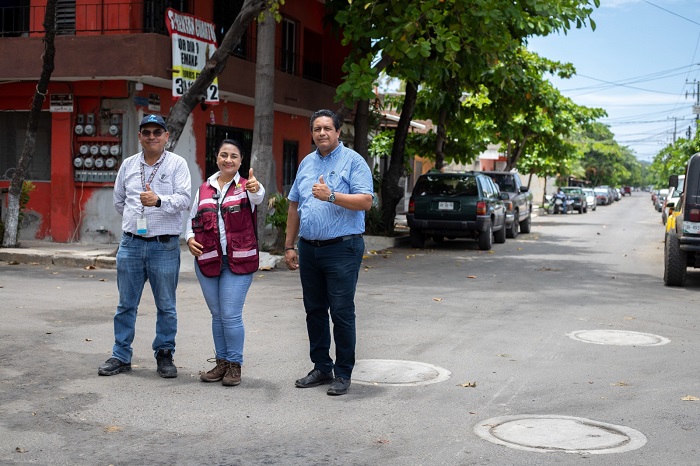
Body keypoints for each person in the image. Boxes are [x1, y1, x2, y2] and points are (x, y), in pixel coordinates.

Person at [284, 109, 373, 396]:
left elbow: (366, 201)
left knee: (342, 312)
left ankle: (343, 373)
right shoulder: (307, 163)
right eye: (317, 128)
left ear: (337, 132)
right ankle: (322, 366)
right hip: (310, 249)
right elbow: (294, 205)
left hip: (342, 248)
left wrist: (331, 195)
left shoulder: (353, 161)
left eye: (327, 128)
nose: (322, 133)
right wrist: (289, 244)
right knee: (315, 311)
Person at [98, 114, 192, 378]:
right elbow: (120, 201)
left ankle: (164, 355)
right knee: (125, 305)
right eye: (147, 132)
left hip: (164, 246)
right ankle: (120, 355)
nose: (152, 136)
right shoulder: (128, 165)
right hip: (130, 245)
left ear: (166, 136)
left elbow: (185, 199)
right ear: (140, 136)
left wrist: (158, 201)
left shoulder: (177, 164)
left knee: (166, 305)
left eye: (157, 132)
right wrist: (136, 219)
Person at [185, 139, 265, 387]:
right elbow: (190, 218)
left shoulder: (247, 186)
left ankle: (234, 365)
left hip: (238, 261)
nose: (228, 160)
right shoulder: (204, 188)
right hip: (208, 260)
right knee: (217, 315)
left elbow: (259, 196)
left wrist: (254, 187)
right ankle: (221, 363)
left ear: (241, 161)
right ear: (217, 158)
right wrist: (188, 239)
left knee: (230, 315)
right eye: (223, 155)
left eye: (234, 156)